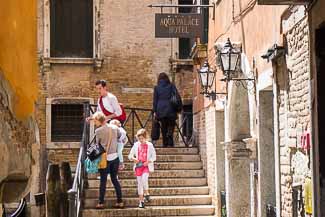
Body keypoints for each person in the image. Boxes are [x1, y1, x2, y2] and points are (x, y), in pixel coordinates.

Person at [92, 111, 124, 209]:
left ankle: (101, 202)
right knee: (115, 179)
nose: (94, 123)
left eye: (95, 121)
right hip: (115, 158)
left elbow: (97, 144)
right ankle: (120, 201)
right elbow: (120, 137)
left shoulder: (98, 131)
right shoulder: (115, 128)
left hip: (105, 159)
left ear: (98, 120)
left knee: (103, 181)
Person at [128, 129, 156, 208]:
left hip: (146, 166)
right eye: (139, 138)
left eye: (142, 138)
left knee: (144, 179)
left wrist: (149, 161)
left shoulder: (150, 145)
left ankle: (146, 193)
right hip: (138, 166)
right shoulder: (136, 145)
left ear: (146, 137)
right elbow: (130, 156)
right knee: (140, 184)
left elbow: (154, 157)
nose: (140, 140)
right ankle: (141, 201)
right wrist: (134, 159)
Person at [152, 72, 180, 147]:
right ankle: (170, 140)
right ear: (167, 78)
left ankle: (165, 143)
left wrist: (154, 111)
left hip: (160, 109)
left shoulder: (156, 88)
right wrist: (178, 108)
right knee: (171, 125)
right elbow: (177, 96)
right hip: (171, 108)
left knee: (163, 127)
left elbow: (155, 100)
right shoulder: (171, 86)